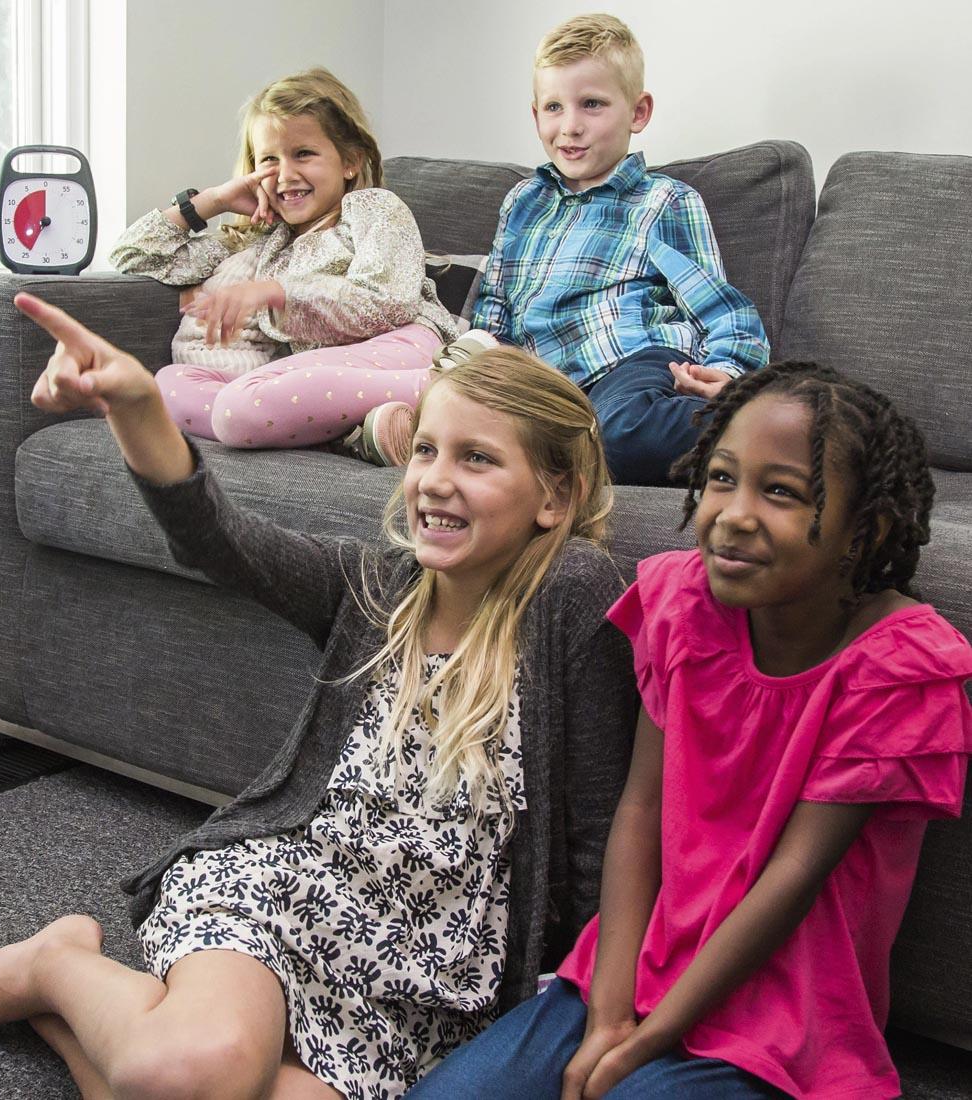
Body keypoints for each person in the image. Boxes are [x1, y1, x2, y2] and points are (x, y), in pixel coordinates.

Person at [0, 292, 635, 1100]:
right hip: (287, 893)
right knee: (190, 1073)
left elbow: (598, 833)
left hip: (421, 986)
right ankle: (56, 967)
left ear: (555, 499)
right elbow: (222, 540)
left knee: (181, 1092)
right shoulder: (376, 589)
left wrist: (593, 1006)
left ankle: (67, 1007)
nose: (434, 480)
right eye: (425, 449)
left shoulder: (573, 593)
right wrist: (139, 403)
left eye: (478, 459)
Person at [404, 361, 972, 1099]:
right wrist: (608, 1012)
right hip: (629, 969)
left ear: (871, 530)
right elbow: (640, 813)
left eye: (781, 493)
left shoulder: (902, 668)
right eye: (721, 478)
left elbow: (792, 879)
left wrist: (651, 1038)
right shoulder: (685, 606)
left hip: (782, 1023)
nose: (733, 513)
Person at [373, 14, 770, 482]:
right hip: (543, 390)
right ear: (536, 114)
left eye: (592, 105)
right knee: (487, 437)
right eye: (555, 107)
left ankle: (767, 430)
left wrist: (726, 374)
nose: (571, 126)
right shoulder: (523, 203)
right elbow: (495, 310)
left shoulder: (664, 201)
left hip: (630, 368)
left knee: (619, 436)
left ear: (638, 112)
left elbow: (723, 312)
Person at [110, 67, 460, 465]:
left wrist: (278, 293)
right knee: (169, 385)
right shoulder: (263, 243)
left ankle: (449, 385)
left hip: (403, 345)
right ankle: (348, 434)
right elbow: (133, 256)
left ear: (349, 161)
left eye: (304, 154)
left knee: (239, 408)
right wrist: (214, 200)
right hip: (319, 376)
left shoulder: (373, 210)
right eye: (270, 160)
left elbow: (387, 304)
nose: (287, 175)